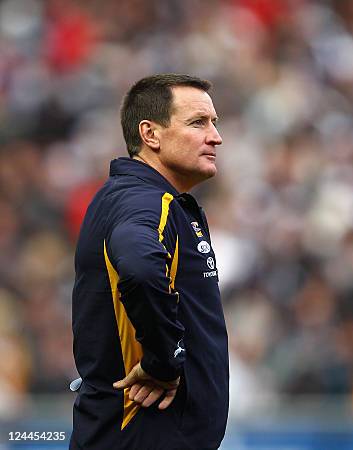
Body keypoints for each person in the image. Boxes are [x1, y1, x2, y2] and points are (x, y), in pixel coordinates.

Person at [71, 74, 228, 450]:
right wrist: (164, 361)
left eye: (214, 123)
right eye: (197, 123)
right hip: (142, 434)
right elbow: (140, 268)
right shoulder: (144, 201)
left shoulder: (145, 199)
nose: (215, 137)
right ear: (150, 134)